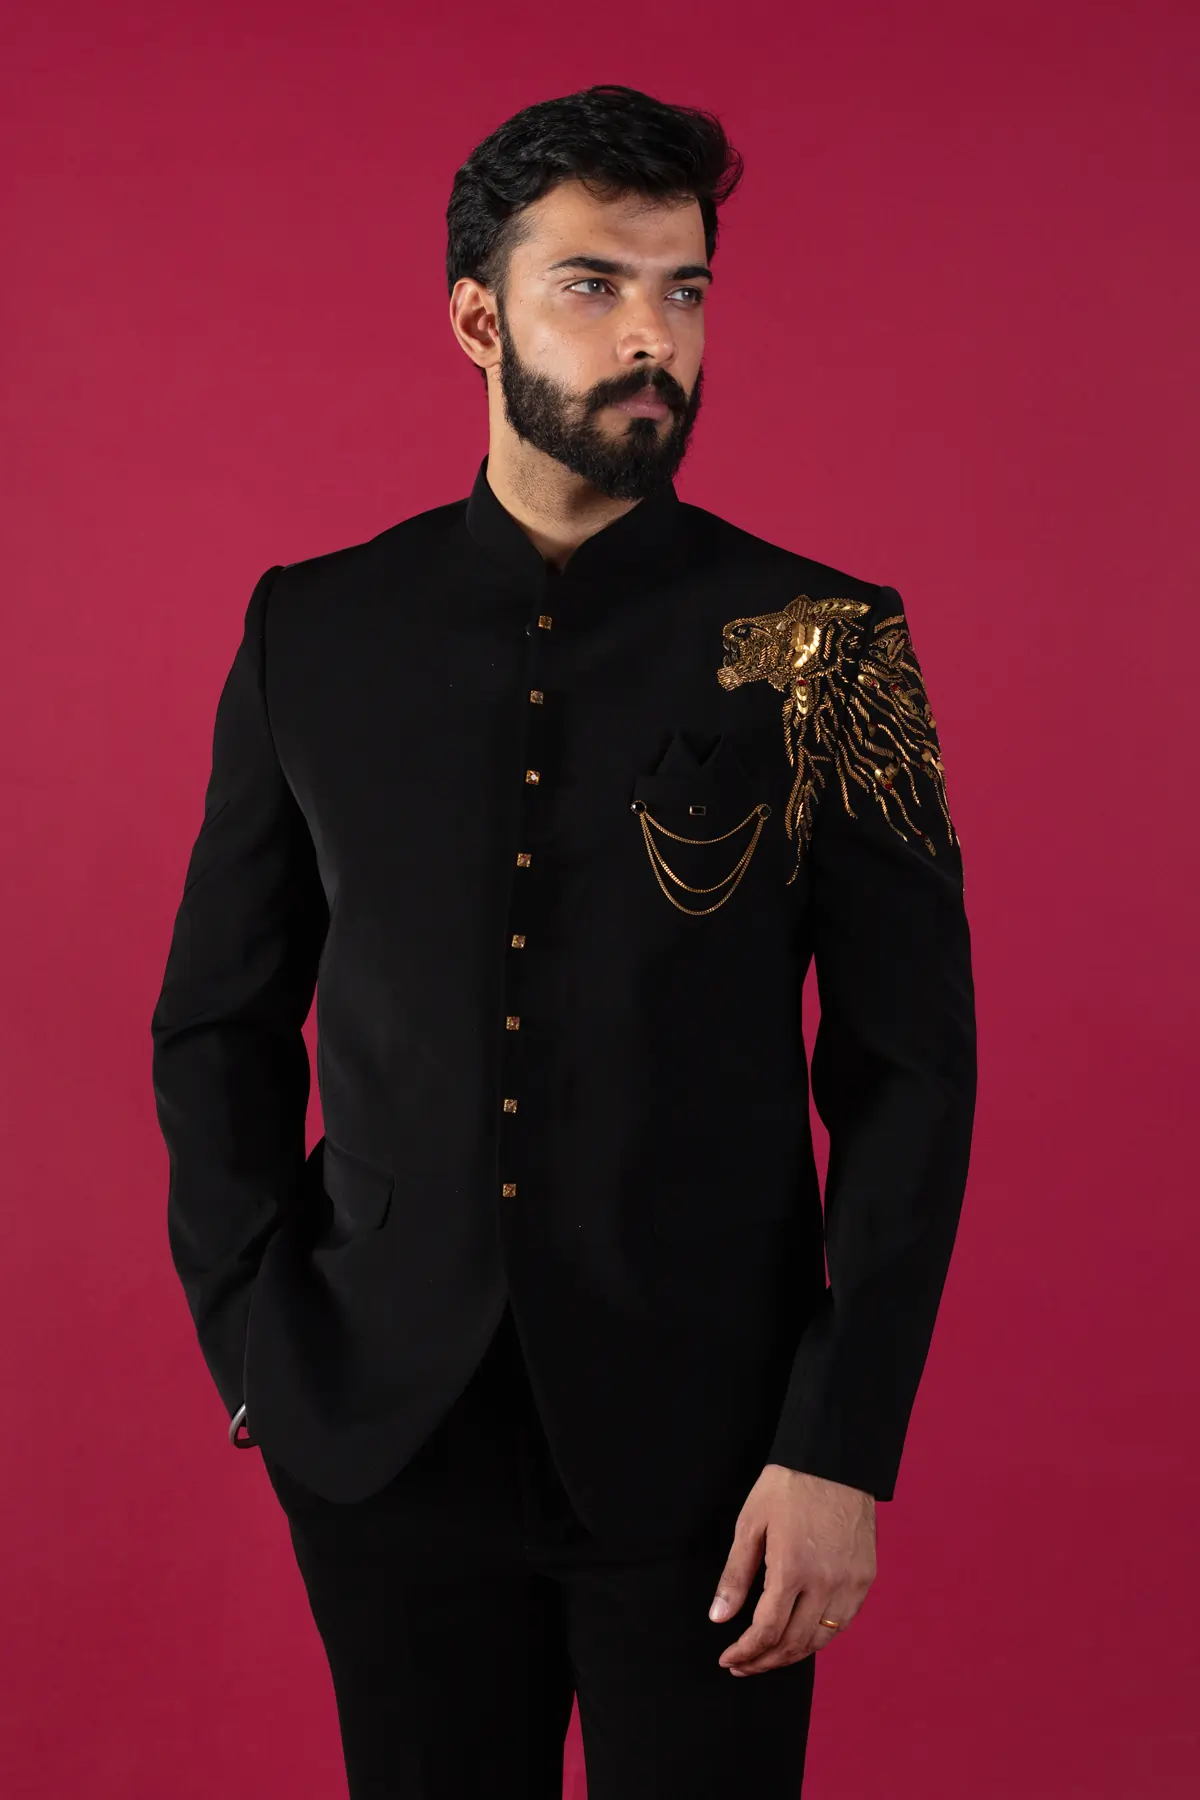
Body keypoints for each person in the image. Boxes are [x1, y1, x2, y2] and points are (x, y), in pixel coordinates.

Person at [150, 82, 978, 1800]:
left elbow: (911, 1071)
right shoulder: (312, 628)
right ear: (479, 319)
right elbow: (217, 1019)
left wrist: (843, 1445)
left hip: (721, 1456)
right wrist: (253, 1340)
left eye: (685, 290)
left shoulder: (830, 643)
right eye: (594, 285)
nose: (652, 336)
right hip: (383, 1433)